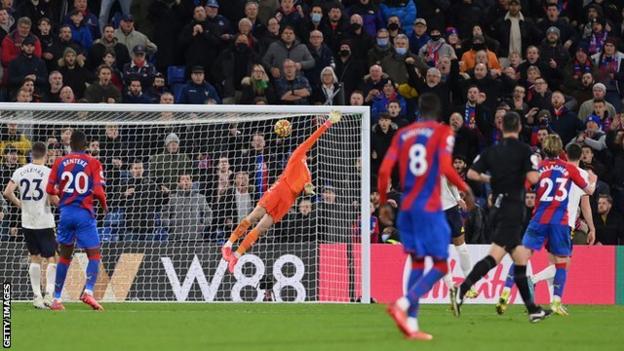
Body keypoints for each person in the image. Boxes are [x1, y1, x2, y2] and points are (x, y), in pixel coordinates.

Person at [379, 93, 469, 341]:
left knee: (418, 263)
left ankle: (411, 324)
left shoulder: (402, 134)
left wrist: (384, 201)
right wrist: (466, 188)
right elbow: (446, 168)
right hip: (430, 206)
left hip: (407, 207)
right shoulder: (443, 133)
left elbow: (385, 169)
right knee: (440, 264)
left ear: (419, 111)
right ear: (438, 113)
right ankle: (403, 303)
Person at [453, 111, 550, 323]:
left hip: (497, 208)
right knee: (499, 258)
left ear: (501, 128)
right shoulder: (526, 151)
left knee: (518, 258)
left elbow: (471, 174)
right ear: (519, 128)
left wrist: (493, 178)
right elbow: (534, 177)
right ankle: (463, 290)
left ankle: (533, 309)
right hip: (513, 208)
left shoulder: (492, 151)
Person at [221, 111, 341, 273]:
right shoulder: (298, 154)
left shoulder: (308, 172)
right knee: (254, 216)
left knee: (262, 228)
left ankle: (236, 255)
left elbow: (304, 187)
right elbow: (313, 138)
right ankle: (228, 244)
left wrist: (308, 189)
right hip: (278, 190)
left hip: (288, 200)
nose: (311, 151)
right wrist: (327, 124)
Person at [497, 143, 596, 316]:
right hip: (563, 223)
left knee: (526, 258)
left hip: (539, 219)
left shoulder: (542, 168)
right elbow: (586, 203)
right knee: (562, 263)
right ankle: (545, 291)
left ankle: (509, 291)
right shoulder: (575, 171)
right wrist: (591, 227)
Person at [46, 130, 107, 311]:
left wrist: (64, 201)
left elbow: (50, 189)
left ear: (70, 144)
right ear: (85, 145)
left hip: (65, 214)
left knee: (64, 256)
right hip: (84, 214)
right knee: (94, 255)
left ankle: (56, 299)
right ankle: (88, 292)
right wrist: (104, 206)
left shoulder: (59, 162)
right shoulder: (93, 162)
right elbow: (98, 191)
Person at [3, 142, 56, 309]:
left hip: (27, 221)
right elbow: (52, 199)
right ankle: (49, 294)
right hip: (44, 220)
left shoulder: (20, 171)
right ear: (45, 155)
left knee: (34, 257)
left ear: (31, 155)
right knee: (52, 258)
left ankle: (36, 297)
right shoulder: (48, 172)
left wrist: (20, 204)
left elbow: (7, 192)